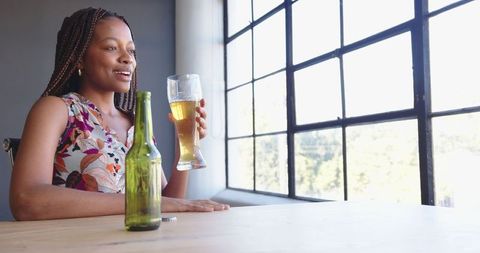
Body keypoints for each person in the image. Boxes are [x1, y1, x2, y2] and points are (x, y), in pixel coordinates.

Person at [9, 7, 228, 221]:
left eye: (131, 50)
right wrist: (145, 202)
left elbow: (165, 203)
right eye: (111, 48)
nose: (127, 58)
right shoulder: (56, 110)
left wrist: (185, 149)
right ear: (80, 58)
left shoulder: (136, 124)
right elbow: (27, 200)